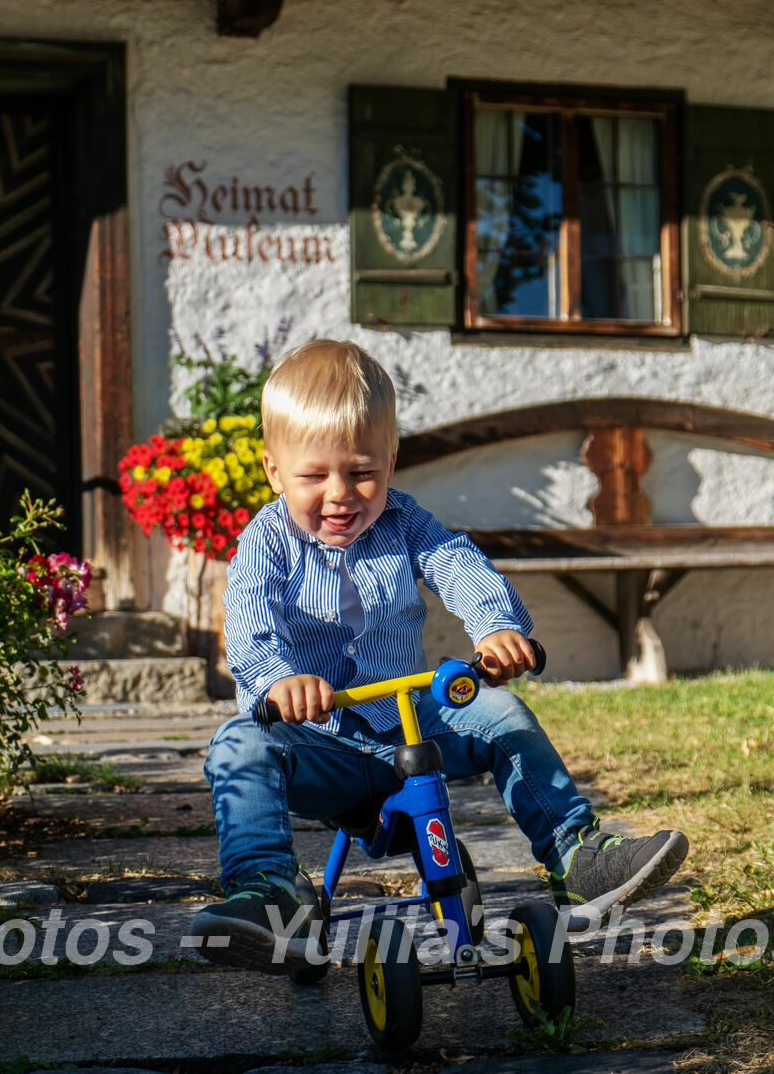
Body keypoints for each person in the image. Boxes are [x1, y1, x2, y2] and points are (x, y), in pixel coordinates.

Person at [190, 338, 689, 971]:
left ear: (391, 462)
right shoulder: (265, 545)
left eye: (362, 471)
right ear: (274, 471)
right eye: (314, 476)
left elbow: (456, 564)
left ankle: (576, 854)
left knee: (501, 714)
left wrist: (496, 629)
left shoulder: (405, 523)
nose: (340, 493)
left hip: (415, 726)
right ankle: (267, 893)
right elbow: (250, 621)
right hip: (324, 742)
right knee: (238, 744)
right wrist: (281, 681)